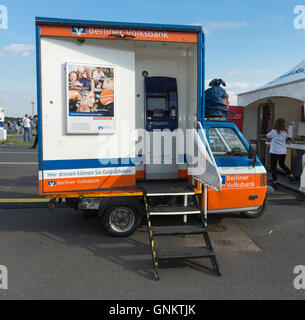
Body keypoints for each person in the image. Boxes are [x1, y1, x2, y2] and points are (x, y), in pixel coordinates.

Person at [267, 118, 295, 191]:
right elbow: (289, 137)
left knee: (273, 168)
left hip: (274, 152)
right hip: (283, 152)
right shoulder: (285, 132)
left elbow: (267, 136)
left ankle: (275, 182)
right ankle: (291, 174)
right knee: (282, 164)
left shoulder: (273, 131)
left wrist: (270, 128)